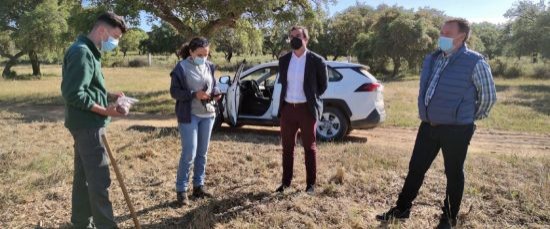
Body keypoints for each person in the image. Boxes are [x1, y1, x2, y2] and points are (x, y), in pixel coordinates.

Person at [376, 18, 497, 229]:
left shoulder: (475, 62)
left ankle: (448, 218)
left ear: (461, 36)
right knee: (416, 168)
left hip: (457, 129)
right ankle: (402, 209)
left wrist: (465, 116)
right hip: (429, 125)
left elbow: (488, 97)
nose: (441, 36)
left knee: (453, 173)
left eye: (447, 33)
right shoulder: (433, 58)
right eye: (441, 32)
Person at [60, 12, 127, 229]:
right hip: (88, 127)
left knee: (84, 178)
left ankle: (80, 223)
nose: (114, 42)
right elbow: (74, 94)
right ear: (102, 30)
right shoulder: (82, 52)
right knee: (99, 181)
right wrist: (107, 112)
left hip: (84, 125)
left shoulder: (89, 51)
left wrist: (110, 96)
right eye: (114, 36)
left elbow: (89, 88)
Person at [275, 25, 328, 195]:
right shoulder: (283, 60)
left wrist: (311, 98)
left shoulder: (317, 60)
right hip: (288, 109)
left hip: (306, 110)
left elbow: (323, 86)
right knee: (287, 148)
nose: (294, 39)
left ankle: (310, 185)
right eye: (291, 36)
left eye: (298, 35)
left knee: (309, 148)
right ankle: (286, 183)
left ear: (306, 39)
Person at [170, 37, 221, 206]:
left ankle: (198, 186)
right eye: (200, 54)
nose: (204, 57)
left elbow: (212, 85)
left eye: (206, 54)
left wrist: (216, 92)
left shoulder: (209, 66)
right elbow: (175, 92)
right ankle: (181, 190)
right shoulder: (181, 68)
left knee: (202, 153)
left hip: (208, 115)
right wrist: (193, 94)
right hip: (189, 115)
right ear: (191, 52)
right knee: (189, 153)